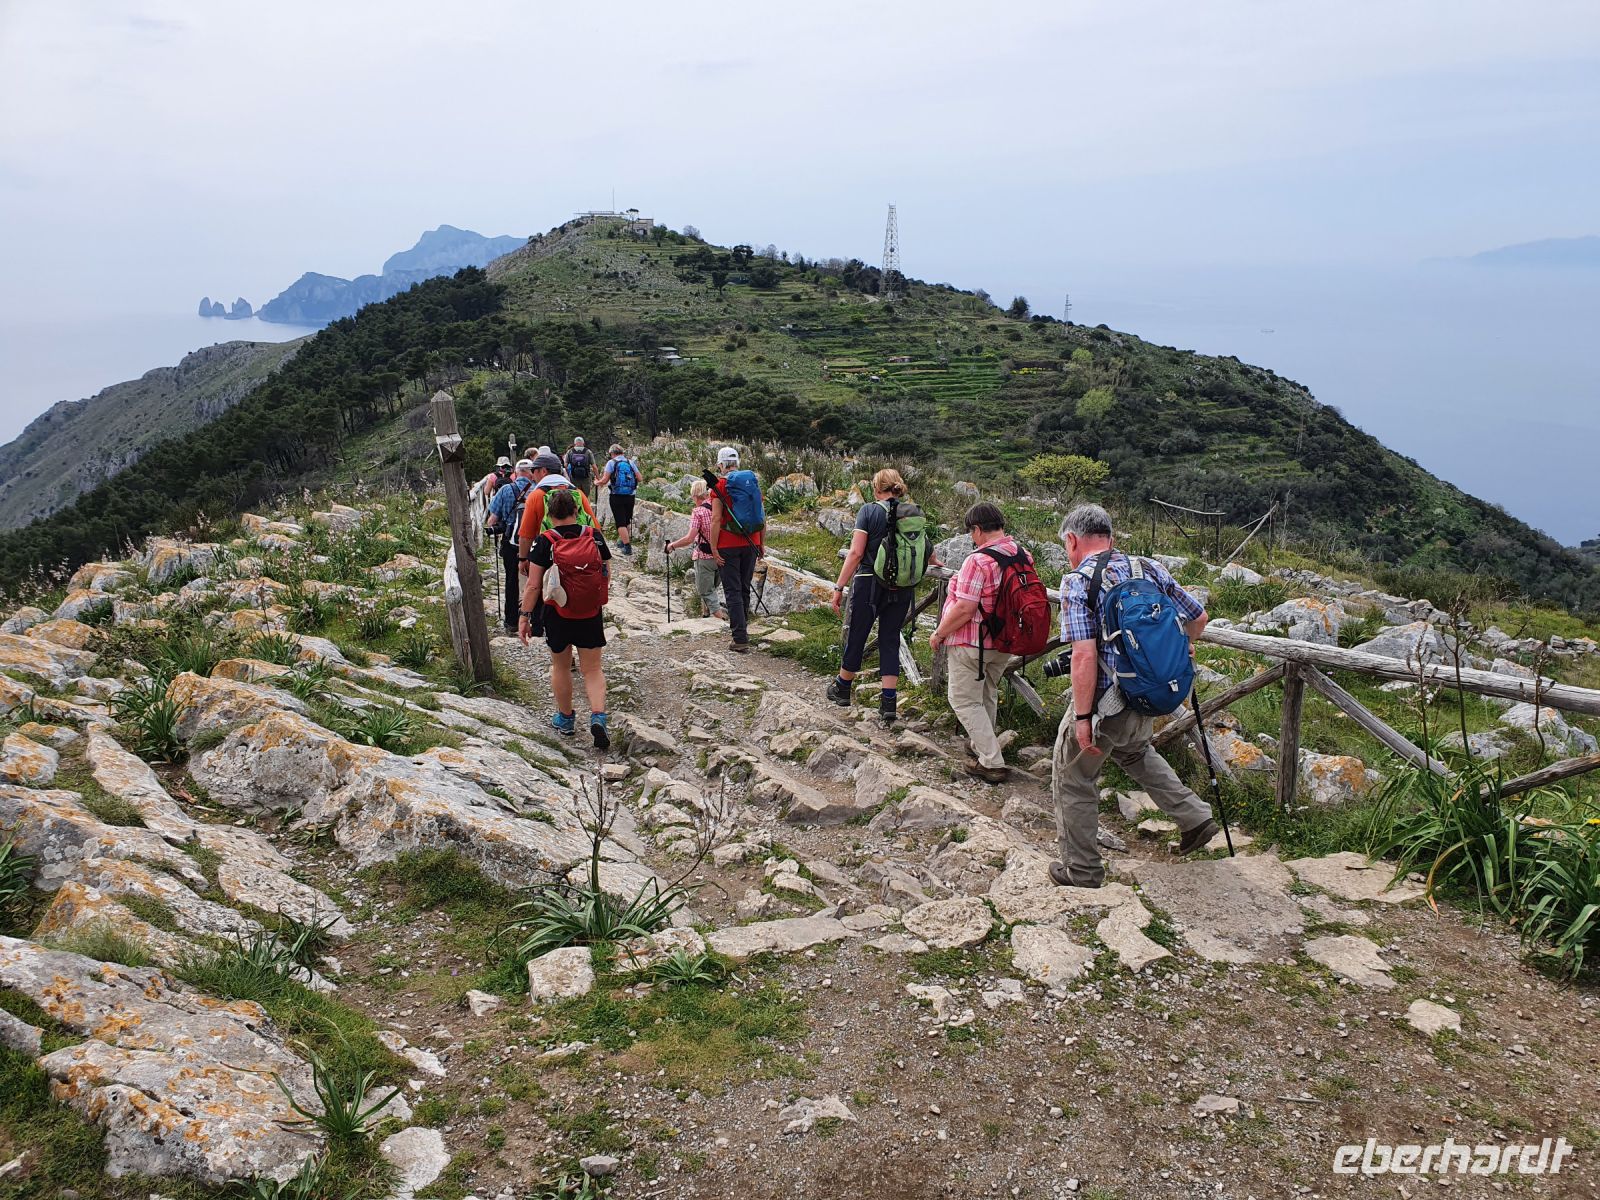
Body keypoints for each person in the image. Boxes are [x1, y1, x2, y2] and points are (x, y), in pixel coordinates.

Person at [1049, 503, 1218, 888]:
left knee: (1073, 775)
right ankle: (1195, 818)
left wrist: (1082, 718)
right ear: (1110, 537)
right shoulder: (1148, 568)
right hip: (1149, 694)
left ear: (1072, 540)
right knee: (1135, 752)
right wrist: (1181, 647)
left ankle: (1082, 870)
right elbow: (1198, 619)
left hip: (1107, 701)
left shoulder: (1078, 581)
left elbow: (1084, 655)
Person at [928, 502, 1023, 783]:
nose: (972, 538)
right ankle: (982, 746)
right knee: (986, 694)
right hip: (1003, 641)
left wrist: (939, 633)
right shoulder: (1021, 554)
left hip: (973, 642)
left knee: (963, 700)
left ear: (978, 529)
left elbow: (965, 608)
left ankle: (991, 762)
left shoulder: (978, 560)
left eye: (971, 532)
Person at [827, 468, 923, 725]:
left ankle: (843, 688)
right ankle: (888, 702)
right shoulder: (912, 513)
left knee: (858, 633)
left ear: (876, 488)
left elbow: (856, 553)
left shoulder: (868, 511)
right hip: (902, 586)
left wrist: (839, 587)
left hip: (869, 582)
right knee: (890, 638)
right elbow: (928, 552)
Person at [519, 487, 611, 749]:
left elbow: (533, 585)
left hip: (556, 612)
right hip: (590, 611)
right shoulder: (594, 536)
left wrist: (524, 617)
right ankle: (598, 716)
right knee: (592, 669)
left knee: (560, 667)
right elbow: (606, 570)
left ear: (550, 515)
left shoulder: (544, 541)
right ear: (576, 510)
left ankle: (566, 719)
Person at [706, 446, 763, 653]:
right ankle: (743, 630)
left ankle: (739, 638)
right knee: (744, 587)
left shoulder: (719, 486)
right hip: (751, 542)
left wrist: (713, 548)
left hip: (727, 545)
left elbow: (715, 519)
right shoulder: (751, 482)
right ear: (737, 463)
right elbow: (761, 515)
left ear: (720, 465)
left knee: (733, 590)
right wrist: (761, 543)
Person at [515, 453, 597, 578]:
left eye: (533, 470)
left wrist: (523, 559)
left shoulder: (536, 496)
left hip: (547, 558)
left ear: (543, 471)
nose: (532, 475)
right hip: (579, 557)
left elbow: (526, 535)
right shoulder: (577, 493)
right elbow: (594, 527)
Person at [485, 458, 535, 633]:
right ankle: (537, 620)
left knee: (511, 580)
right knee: (536, 580)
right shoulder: (538, 491)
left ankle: (512, 621)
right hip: (534, 542)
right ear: (531, 473)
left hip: (511, 541)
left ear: (516, 472)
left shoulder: (506, 490)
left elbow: (492, 519)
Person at [666, 479, 724, 618]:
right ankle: (705, 614)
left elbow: (689, 538)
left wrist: (672, 546)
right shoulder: (721, 507)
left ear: (696, 496)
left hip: (705, 557)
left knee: (706, 592)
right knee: (713, 588)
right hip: (722, 555)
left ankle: (722, 620)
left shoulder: (698, 512)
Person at [599, 444, 638, 556]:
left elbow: (604, 480)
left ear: (612, 453)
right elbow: (640, 477)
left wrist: (597, 482)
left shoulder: (611, 463)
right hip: (630, 495)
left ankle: (627, 546)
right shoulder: (630, 462)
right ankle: (623, 541)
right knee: (627, 520)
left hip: (616, 495)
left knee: (620, 522)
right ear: (622, 452)